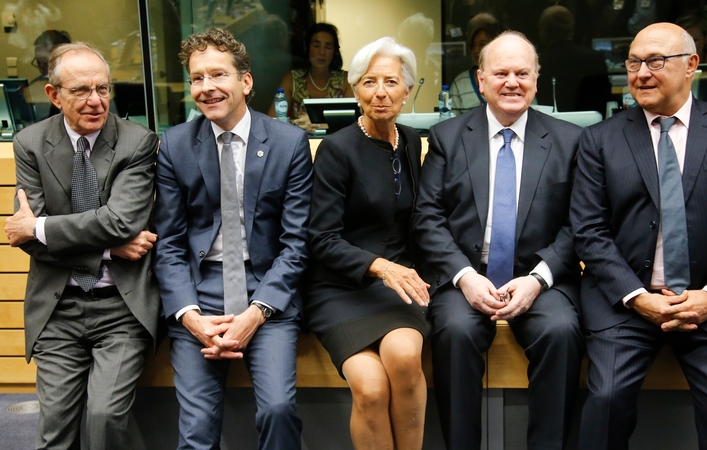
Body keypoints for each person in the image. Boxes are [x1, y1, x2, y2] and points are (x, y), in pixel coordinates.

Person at [571, 23, 707, 450]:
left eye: (655, 61)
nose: (641, 73)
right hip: (628, 304)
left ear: (692, 65)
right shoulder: (599, 139)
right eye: (633, 62)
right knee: (605, 400)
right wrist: (637, 297)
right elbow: (588, 230)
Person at [413, 31, 584, 449]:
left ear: (537, 81)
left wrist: (539, 279)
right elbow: (427, 219)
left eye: (522, 73)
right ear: (481, 79)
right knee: (453, 331)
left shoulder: (570, 140)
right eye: (501, 72)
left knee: (562, 332)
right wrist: (465, 277)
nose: (512, 81)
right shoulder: (447, 138)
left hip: (540, 278)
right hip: (466, 277)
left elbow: (581, 225)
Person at [153, 28, 313, 449]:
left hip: (267, 292)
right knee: (197, 428)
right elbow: (169, 244)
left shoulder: (288, 143)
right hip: (200, 293)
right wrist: (188, 315)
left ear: (245, 82)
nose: (207, 88)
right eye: (198, 78)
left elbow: (296, 244)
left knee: (278, 410)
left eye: (218, 75)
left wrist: (255, 314)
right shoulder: (174, 146)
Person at [4, 42, 160, 448]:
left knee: (104, 417)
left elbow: (121, 220)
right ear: (54, 95)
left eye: (103, 89)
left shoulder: (137, 142)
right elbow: (26, 238)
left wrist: (40, 226)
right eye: (81, 91)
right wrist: (108, 249)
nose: (96, 101)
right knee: (54, 429)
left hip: (120, 308)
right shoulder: (31, 143)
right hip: (58, 307)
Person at [304, 36, 430, 449]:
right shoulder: (336, 150)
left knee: (405, 357)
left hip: (397, 288)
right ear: (355, 89)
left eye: (391, 82)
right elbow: (320, 238)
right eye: (369, 82)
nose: (380, 92)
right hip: (341, 288)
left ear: (407, 91)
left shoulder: (410, 141)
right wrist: (379, 266)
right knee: (372, 388)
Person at [269, 22, 354, 130]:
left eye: (328, 47)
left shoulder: (345, 80)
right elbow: (271, 121)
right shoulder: (292, 78)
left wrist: (318, 124)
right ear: (307, 48)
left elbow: (353, 124)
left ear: (335, 51)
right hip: (300, 141)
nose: (322, 52)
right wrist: (297, 123)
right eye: (316, 46)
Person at [536, 5, 611, 115]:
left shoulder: (538, 61)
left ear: (543, 29)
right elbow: (604, 99)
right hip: (592, 126)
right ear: (571, 28)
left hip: (550, 128)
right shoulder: (594, 58)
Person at [449, 13, 503, 115]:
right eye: (473, 45)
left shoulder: (513, 79)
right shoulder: (460, 83)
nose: (476, 50)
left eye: (482, 44)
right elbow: (451, 123)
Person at [29, 30, 72, 120]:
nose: (41, 68)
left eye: (46, 63)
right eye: (38, 62)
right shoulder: (33, 89)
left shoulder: (84, 89)